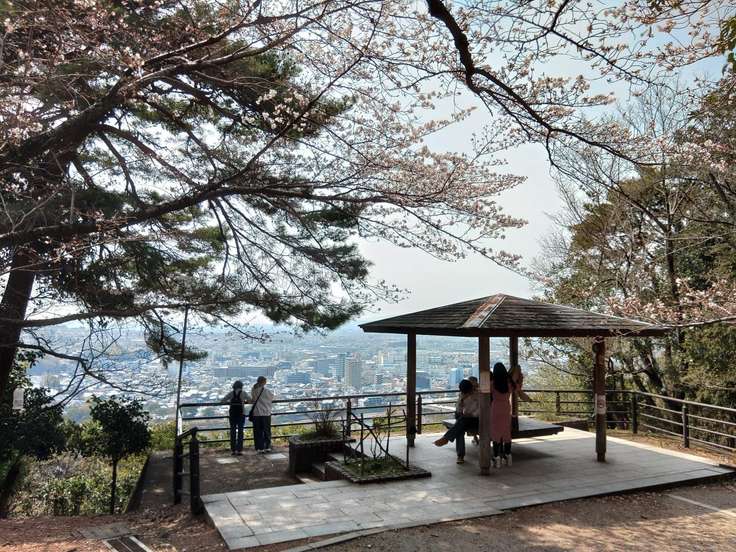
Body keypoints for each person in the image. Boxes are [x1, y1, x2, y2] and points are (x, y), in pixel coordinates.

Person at [433, 379, 479, 464]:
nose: (465, 393)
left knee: (460, 424)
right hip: (465, 420)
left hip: (478, 420)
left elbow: (481, 410)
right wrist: (461, 401)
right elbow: (458, 411)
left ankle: (447, 439)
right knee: (460, 429)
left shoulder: (478, 395)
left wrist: (472, 415)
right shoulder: (462, 395)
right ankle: (459, 455)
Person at [491, 362, 512, 467]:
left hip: (495, 409)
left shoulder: (493, 384)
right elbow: (517, 388)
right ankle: (508, 456)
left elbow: (485, 392)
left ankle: (497, 458)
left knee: (496, 433)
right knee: (506, 432)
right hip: (506, 408)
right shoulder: (510, 384)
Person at [222, 380, 247, 455]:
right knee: (240, 432)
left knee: (233, 431)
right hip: (241, 414)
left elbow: (222, 401)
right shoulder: (243, 393)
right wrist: (244, 401)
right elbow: (251, 400)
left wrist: (230, 403)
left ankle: (233, 450)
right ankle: (239, 450)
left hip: (232, 415)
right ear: (241, 386)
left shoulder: (231, 393)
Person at [250, 376, 274, 453]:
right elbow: (272, 398)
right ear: (264, 382)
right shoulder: (267, 391)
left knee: (258, 432)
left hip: (257, 413)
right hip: (266, 413)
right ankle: (267, 446)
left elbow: (253, 399)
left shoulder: (254, 390)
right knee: (267, 431)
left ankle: (260, 448)